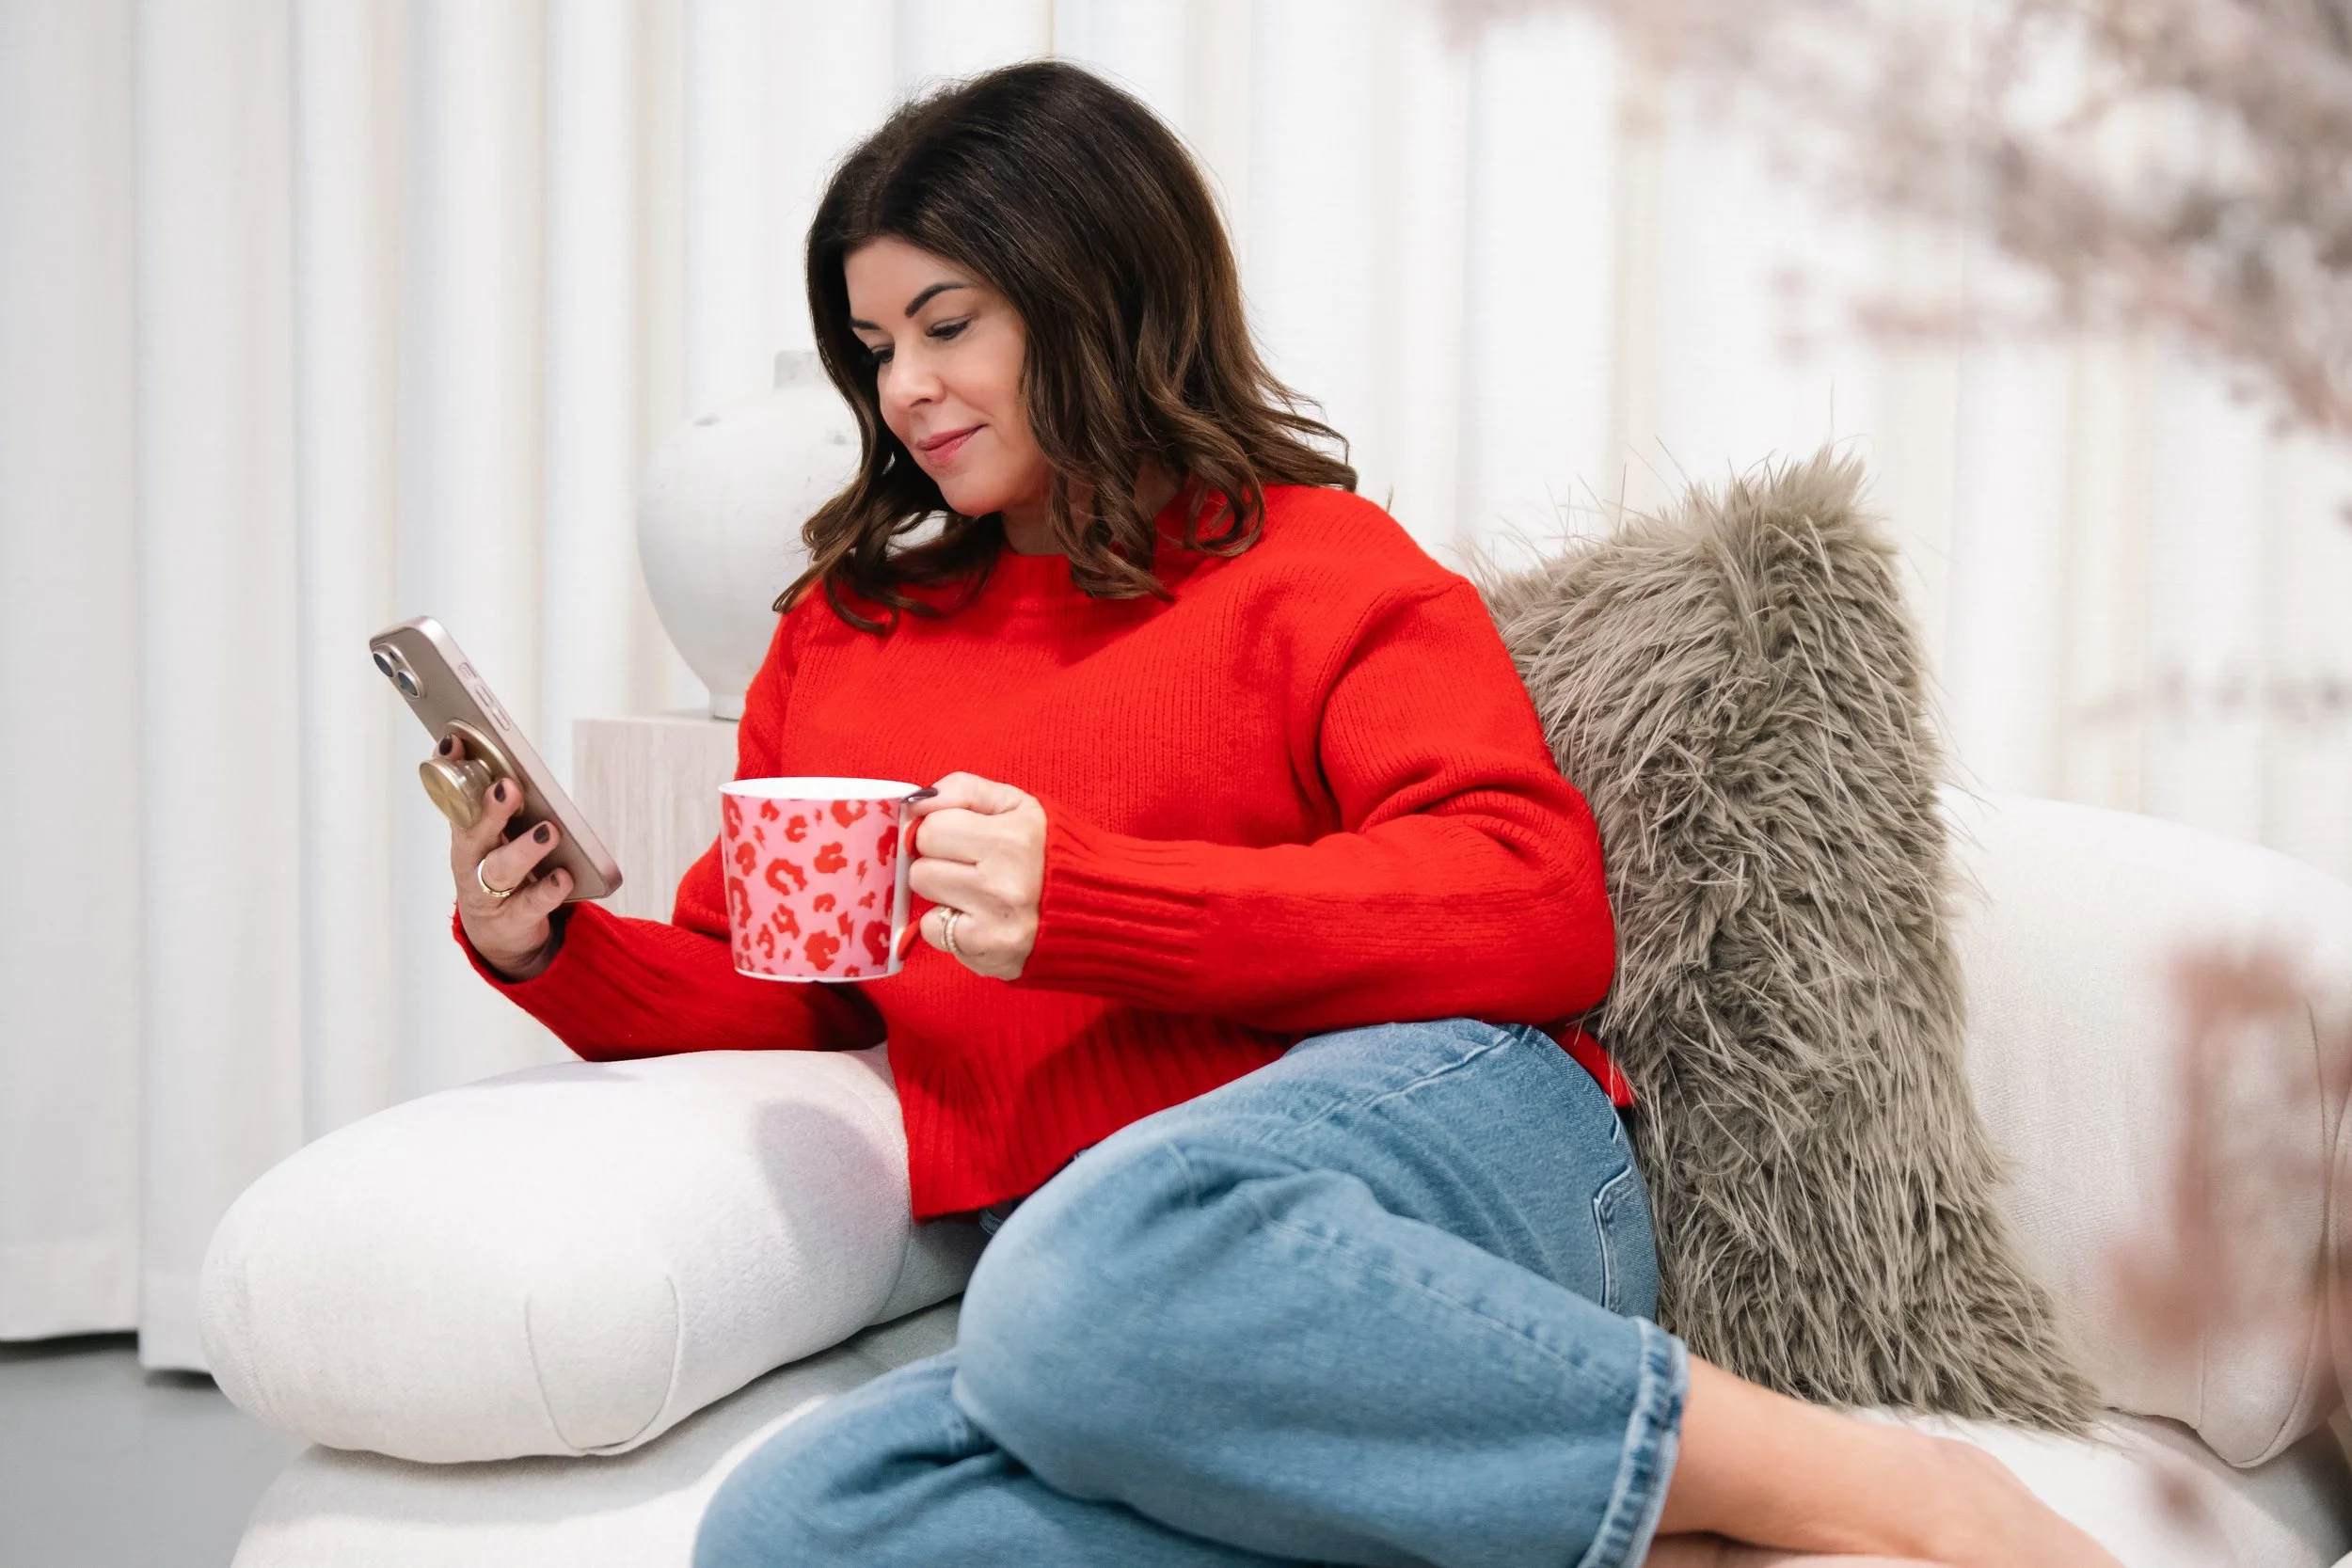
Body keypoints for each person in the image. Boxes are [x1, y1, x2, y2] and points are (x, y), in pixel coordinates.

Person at [441, 60, 2118, 1568]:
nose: (906, 391)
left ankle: (1889, 1492)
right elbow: (790, 977)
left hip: (1444, 1150)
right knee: (796, 1528)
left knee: (1084, 1266)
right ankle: (1578, 1533)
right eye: (875, 349)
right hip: (1114, 1294)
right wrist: (556, 946)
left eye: (949, 326)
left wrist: (1090, 901)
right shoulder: (846, 631)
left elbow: (1539, 903)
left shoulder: (1316, 565)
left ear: (1091, 293)